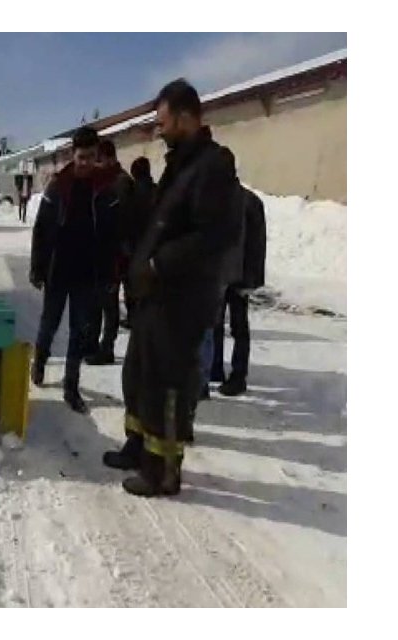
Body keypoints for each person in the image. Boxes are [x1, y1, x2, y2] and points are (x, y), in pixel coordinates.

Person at [102, 79, 243, 497]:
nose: (158, 130)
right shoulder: (180, 165)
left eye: (163, 122)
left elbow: (212, 236)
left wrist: (159, 264)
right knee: (140, 375)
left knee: (167, 384)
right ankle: (137, 447)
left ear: (185, 117)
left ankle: (163, 470)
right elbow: (164, 223)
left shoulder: (213, 166)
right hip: (155, 297)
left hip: (181, 298)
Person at [29, 126, 117, 414]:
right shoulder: (58, 185)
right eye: (81, 157)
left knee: (80, 331)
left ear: (97, 156)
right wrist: (37, 267)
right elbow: (41, 230)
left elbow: (111, 235)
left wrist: (109, 274)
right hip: (58, 270)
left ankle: (71, 386)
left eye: (91, 157)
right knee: (49, 324)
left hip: (87, 273)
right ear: (73, 154)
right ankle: (39, 362)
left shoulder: (104, 188)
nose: (85, 163)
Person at [211, 187, 267, 396]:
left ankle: (233, 374)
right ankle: (224, 370)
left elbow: (256, 242)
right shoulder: (244, 200)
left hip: (233, 274)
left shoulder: (239, 201)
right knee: (228, 325)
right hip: (235, 273)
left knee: (233, 325)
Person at [85, 140, 135, 365]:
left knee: (109, 303)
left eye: (98, 159)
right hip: (97, 251)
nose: (96, 164)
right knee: (95, 301)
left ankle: (107, 348)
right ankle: (92, 343)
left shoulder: (121, 182)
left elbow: (123, 223)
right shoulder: (102, 181)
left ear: (109, 158)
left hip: (114, 254)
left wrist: (120, 255)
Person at [121, 157, 156, 328]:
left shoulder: (131, 193)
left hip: (135, 248)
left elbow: (126, 221)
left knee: (132, 287)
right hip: (153, 248)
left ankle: (134, 318)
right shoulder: (158, 191)